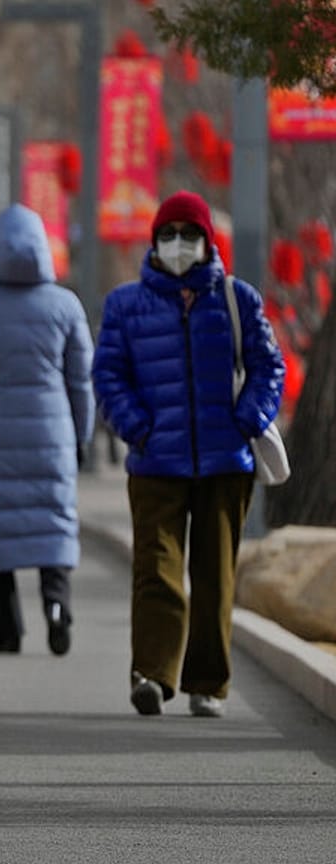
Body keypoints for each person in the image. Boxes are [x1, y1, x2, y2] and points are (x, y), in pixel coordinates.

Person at [92, 191, 284, 719]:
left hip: (225, 462)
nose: (179, 245)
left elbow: (270, 366)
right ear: (154, 242)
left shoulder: (236, 299)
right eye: (168, 234)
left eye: (189, 234)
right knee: (156, 570)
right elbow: (108, 374)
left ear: (207, 242)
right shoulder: (125, 304)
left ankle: (209, 684)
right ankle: (152, 674)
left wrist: (247, 419)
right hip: (156, 461)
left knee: (215, 575)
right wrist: (136, 427)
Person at [0, 205, 94, 656]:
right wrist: (80, 437)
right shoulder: (66, 305)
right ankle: (57, 608)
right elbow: (81, 380)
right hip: (53, 431)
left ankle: (7, 630)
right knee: (54, 524)